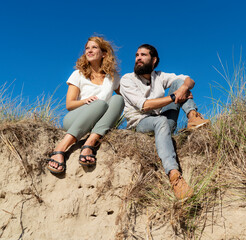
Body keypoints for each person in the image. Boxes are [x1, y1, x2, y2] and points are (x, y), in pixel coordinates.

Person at [120, 44, 210, 200]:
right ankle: (175, 176)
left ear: (154, 60)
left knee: (179, 84)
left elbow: (190, 80)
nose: (138, 58)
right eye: (136, 55)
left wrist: (182, 89)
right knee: (161, 118)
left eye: (143, 55)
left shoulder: (159, 76)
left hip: (161, 121)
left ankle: (193, 116)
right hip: (140, 123)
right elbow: (144, 105)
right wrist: (175, 97)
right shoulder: (127, 79)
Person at [47, 36, 124, 174]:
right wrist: (85, 101)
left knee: (118, 100)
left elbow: (124, 99)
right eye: (87, 48)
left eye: (94, 47)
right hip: (75, 118)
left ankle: (89, 143)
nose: (89, 50)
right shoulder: (78, 74)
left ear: (104, 54)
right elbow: (69, 105)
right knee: (100, 104)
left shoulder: (112, 77)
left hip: (98, 123)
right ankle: (60, 148)